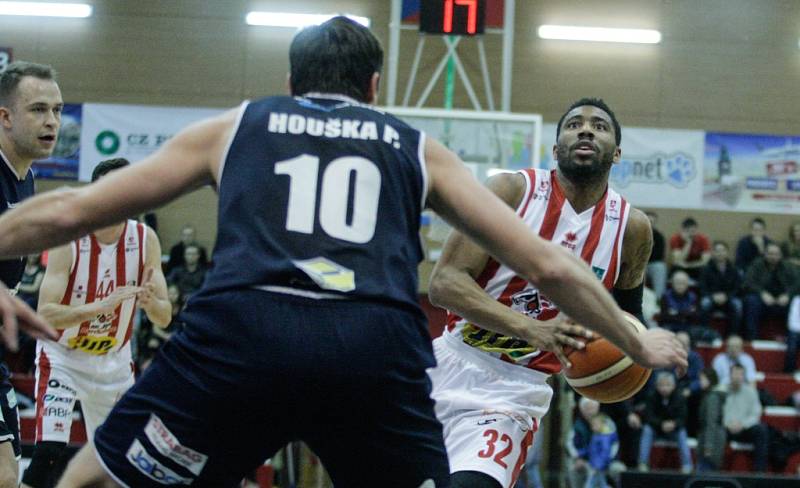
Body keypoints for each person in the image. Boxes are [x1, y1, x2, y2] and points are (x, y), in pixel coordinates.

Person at [0, 19, 685, 488]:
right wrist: (637, 339)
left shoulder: (239, 124)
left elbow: (69, 210)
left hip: (243, 333)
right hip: (371, 345)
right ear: (376, 88)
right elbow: (549, 266)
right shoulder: (414, 145)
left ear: (291, 81)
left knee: (93, 474)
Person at [427, 98, 687, 488]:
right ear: (555, 149)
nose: (585, 129)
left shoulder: (631, 230)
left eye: (599, 126)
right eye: (573, 125)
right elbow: (444, 284)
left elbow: (626, 319)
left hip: (515, 392)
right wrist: (535, 330)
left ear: (616, 154)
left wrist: (638, 356)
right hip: (449, 362)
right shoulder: (512, 190)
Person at [21, 159, 171, 488]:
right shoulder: (68, 239)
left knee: (116, 462)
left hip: (112, 363)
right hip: (63, 356)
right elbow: (44, 313)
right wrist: (94, 309)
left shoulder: (145, 240)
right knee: (48, 451)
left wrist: (151, 303)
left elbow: (165, 316)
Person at [0, 60, 63, 487]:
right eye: (38, 109)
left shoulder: (26, 178)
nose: (52, 121)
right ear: (4, 116)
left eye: (57, 110)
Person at [637, 372, 692, 473]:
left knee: (682, 432)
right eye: (661, 385)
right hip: (657, 429)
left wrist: (674, 424)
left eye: (667, 385)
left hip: (674, 429)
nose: (664, 388)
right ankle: (643, 463)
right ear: (657, 386)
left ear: (673, 386)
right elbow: (648, 417)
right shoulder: (651, 396)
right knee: (646, 429)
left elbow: (683, 418)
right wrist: (661, 424)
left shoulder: (680, 397)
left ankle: (687, 465)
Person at [742, 242, 796, 341]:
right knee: (751, 301)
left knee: (796, 303)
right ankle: (752, 338)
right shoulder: (757, 264)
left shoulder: (788, 266)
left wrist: (788, 295)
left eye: (776, 254)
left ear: (781, 255)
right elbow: (748, 282)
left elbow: (797, 283)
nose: (773, 257)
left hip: (782, 301)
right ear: (765, 254)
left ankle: (791, 339)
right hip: (762, 301)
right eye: (770, 254)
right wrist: (762, 293)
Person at [723, 364, 770, 472]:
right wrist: (728, 424)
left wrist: (742, 424)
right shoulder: (722, 391)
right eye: (735, 374)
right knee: (715, 430)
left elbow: (756, 413)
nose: (737, 377)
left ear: (744, 376)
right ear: (730, 375)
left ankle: (759, 473)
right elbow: (718, 413)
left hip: (745, 429)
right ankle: (714, 472)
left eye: (740, 374)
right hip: (726, 428)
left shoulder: (751, 391)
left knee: (761, 430)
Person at [699, 241, 742, 337]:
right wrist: (712, 296)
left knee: (738, 305)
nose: (720, 253)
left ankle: (732, 336)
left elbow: (737, 288)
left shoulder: (734, 269)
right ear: (713, 253)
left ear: (727, 252)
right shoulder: (705, 269)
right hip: (711, 297)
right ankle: (704, 334)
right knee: (704, 303)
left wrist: (726, 296)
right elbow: (702, 287)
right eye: (717, 251)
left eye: (722, 250)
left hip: (728, 298)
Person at [696, 367, 726, 472]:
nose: (700, 382)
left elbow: (711, 422)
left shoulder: (712, 397)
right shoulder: (709, 395)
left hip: (712, 440)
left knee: (705, 475)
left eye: (702, 379)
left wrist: (708, 446)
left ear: (710, 379)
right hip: (712, 438)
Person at [566, 397, 601, 488]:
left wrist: (597, 433)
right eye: (588, 409)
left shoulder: (604, 424)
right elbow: (569, 444)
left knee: (618, 468)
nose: (591, 412)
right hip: (584, 460)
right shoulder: (578, 426)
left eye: (593, 408)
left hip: (602, 460)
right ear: (582, 410)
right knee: (574, 468)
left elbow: (611, 444)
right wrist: (577, 458)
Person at [645, 211, 668, 299]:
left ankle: (659, 300)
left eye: (652, 222)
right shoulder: (636, 234)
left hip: (652, 264)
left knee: (660, 267)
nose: (650, 224)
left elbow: (659, 256)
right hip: (638, 264)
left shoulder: (659, 237)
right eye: (648, 221)